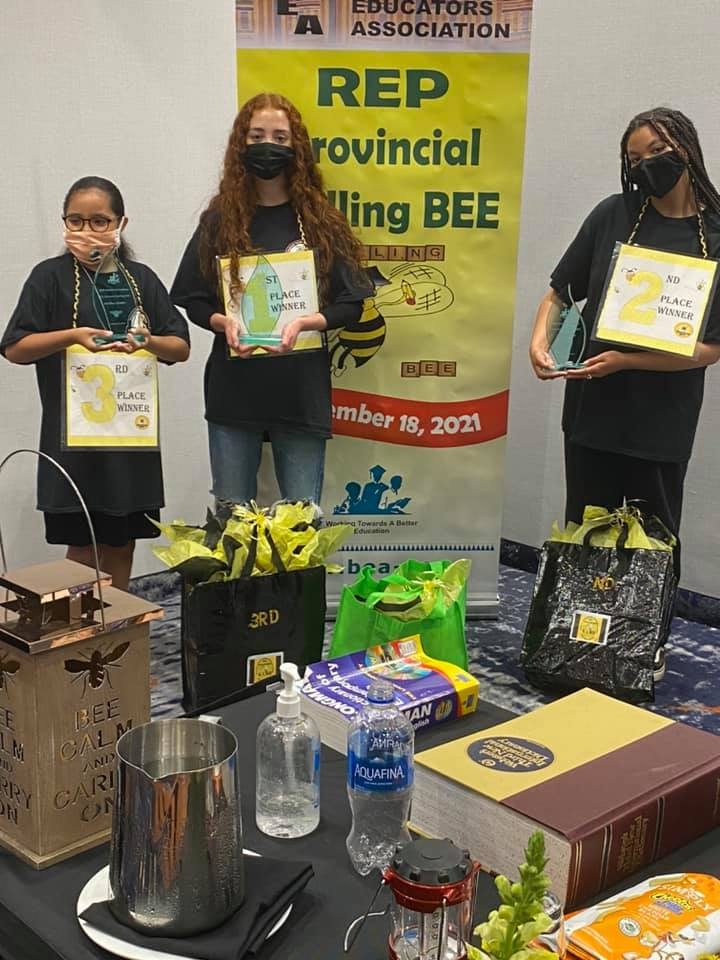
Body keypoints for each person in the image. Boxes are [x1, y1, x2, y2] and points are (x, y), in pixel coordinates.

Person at [529, 107, 720, 678]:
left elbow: (709, 349)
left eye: (657, 152)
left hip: (661, 417)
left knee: (653, 534)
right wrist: (539, 341)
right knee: (586, 524)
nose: (646, 166)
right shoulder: (614, 214)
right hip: (593, 405)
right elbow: (559, 291)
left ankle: (643, 645)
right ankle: (577, 638)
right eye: (635, 159)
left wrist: (628, 361)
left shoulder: (716, 233)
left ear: (686, 148)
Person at [170, 92, 371, 507]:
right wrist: (221, 322)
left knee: (301, 520)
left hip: (300, 392)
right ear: (240, 145)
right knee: (232, 518)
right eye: (257, 135)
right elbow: (193, 297)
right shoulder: (220, 220)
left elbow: (352, 304)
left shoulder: (321, 221)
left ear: (297, 148)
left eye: (280, 137)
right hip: (234, 391)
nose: (268, 146)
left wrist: (307, 323)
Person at [1, 176, 190, 590]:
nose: (87, 230)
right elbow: (15, 347)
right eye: (76, 220)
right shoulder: (48, 277)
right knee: (83, 549)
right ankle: (80, 630)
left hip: (130, 440)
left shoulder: (141, 279)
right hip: (73, 443)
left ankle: (118, 627)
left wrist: (148, 341)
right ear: (64, 223)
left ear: (121, 223)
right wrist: (71, 336)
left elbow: (180, 347)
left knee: (121, 544)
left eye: (100, 221)